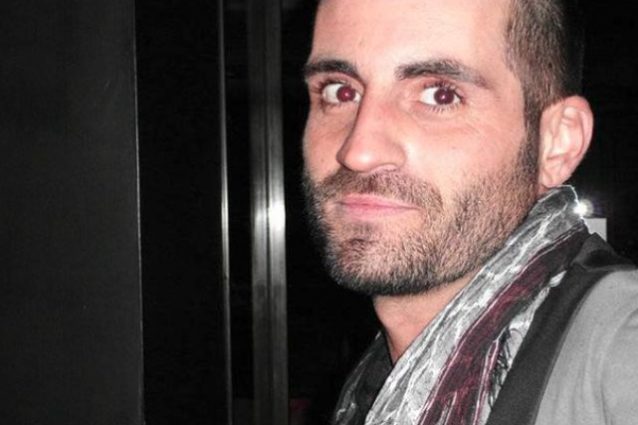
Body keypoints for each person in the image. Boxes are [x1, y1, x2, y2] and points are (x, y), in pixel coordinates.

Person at [301, 0, 638, 424]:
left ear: (556, 142)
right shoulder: (378, 382)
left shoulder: (620, 349)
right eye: (340, 91)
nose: (359, 151)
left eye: (440, 94)